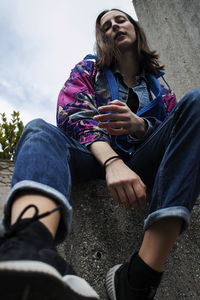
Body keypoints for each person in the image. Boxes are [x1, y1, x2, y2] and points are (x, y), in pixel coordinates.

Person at [0, 7, 199, 300]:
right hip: (92, 155)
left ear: (135, 27)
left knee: (196, 103)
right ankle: (28, 246)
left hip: (144, 162)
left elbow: (178, 131)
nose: (115, 26)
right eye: (106, 26)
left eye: (121, 20)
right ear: (101, 38)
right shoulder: (88, 69)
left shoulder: (160, 87)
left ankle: (139, 276)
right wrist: (112, 162)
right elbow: (73, 114)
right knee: (39, 129)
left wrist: (140, 125)